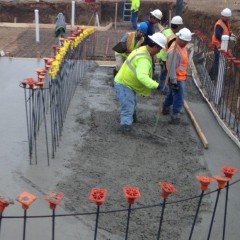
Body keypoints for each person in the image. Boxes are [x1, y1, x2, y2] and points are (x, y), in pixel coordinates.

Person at [114, 32, 167, 133]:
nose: (158, 52)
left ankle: (131, 118)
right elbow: (142, 76)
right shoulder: (144, 59)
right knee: (128, 105)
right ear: (155, 46)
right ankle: (125, 126)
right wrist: (158, 86)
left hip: (128, 82)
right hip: (124, 83)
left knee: (131, 102)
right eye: (159, 49)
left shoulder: (143, 49)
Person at [162, 28, 194, 124]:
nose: (186, 43)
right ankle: (175, 115)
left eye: (187, 42)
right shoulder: (174, 51)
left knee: (172, 95)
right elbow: (171, 67)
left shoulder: (182, 47)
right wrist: (174, 81)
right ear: (179, 38)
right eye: (184, 41)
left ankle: (166, 107)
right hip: (177, 78)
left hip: (180, 76)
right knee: (179, 97)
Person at [156, 16, 183, 93]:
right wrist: (165, 62)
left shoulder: (166, 31)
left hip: (160, 55)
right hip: (165, 57)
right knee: (165, 73)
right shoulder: (172, 37)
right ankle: (163, 88)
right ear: (177, 26)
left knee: (164, 72)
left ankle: (162, 86)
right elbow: (168, 50)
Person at [209, 8, 236, 81]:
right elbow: (218, 35)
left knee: (217, 60)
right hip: (218, 45)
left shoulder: (224, 23)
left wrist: (230, 34)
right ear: (225, 16)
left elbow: (225, 32)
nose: (229, 18)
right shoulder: (219, 24)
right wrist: (229, 38)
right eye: (228, 17)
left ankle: (212, 75)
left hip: (222, 45)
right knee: (217, 61)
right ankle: (213, 77)